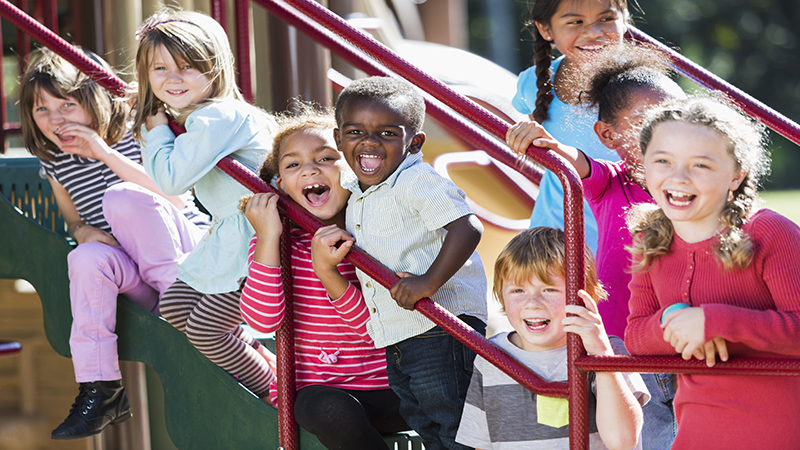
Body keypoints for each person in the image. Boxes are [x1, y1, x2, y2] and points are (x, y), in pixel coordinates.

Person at [19, 47, 209, 439]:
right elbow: (73, 219)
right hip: (141, 278)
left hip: (188, 268)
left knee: (121, 197)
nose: (56, 119)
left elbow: (172, 196)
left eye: (67, 104)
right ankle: (101, 389)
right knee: (86, 257)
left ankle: (182, 310)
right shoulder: (55, 162)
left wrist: (103, 153)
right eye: (42, 110)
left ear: (93, 98)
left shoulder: (137, 131)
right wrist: (82, 232)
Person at [506, 45, 684, 450]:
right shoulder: (611, 181)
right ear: (608, 135)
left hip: (682, 340)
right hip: (625, 345)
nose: (665, 133)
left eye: (676, 119)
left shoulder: (692, 186)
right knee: (645, 438)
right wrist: (546, 143)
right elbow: (573, 161)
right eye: (646, 123)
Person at [624, 96, 800, 449]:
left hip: (780, 431)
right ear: (644, 165)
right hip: (696, 432)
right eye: (662, 161)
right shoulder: (650, 240)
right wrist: (676, 318)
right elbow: (635, 336)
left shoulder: (770, 233)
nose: (678, 177)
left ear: (737, 176)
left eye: (700, 165)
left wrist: (715, 321)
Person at [328, 76, 488, 450]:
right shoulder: (356, 192)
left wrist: (428, 282)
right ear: (338, 140)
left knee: (455, 427)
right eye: (355, 131)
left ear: (413, 142)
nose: (369, 142)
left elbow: (467, 227)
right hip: (399, 332)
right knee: (425, 425)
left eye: (386, 133)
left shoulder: (414, 180)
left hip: (441, 327)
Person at [238, 103, 409, 449]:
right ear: (280, 184)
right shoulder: (279, 242)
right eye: (293, 165)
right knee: (330, 409)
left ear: (355, 169)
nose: (310, 170)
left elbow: (378, 330)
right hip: (320, 391)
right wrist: (269, 237)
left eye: (326, 158)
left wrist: (328, 272)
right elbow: (262, 319)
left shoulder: (376, 234)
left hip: (388, 387)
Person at [132, 10, 277, 401]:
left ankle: (273, 393)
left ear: (215, 69)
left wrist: (157, 130)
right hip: (232, 234)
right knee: (177, 306)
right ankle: (263, 359)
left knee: (206, 330)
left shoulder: (218, 116)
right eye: (160, 68)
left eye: (188, 67)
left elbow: (171, 179)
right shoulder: (202, 116)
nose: (173, 78)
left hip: (259, 241)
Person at [456, 226, 648, 449]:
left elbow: (622, 441)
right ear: (500, 294)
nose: (533, 303)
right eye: (518, 291)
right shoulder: (491, 356)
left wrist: (601, 354)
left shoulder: (607, 350)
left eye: (549, 290)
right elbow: (482, 443)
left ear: (586, 295)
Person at [512, 0, 632, 253]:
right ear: (546, 30)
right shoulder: (533, 83)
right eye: (575, 22)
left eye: (606, 18)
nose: (593, 32)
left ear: (625, 18)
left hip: (623, 235)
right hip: (555, 233)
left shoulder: (642, 89)